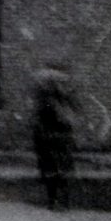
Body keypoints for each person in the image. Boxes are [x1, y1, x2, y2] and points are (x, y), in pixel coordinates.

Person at [32, 70, 78, 211]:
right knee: (58, 172)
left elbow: (41, 121)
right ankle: (59, 202)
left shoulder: (49, 101)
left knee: (54, 172)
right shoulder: (59, 101)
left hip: (54, 140)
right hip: (57, 140)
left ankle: (56, 202)